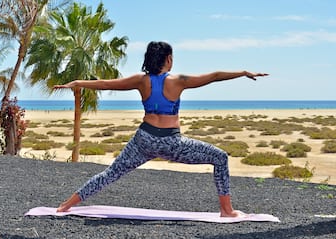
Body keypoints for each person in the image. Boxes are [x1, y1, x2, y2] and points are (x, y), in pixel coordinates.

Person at [53, 41, 268, 217]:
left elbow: (107, 84)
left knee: (111, 173)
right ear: (168, 59)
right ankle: (227, 210)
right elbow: (214, 76)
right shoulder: (178, 81)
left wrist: (76, 83)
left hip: (144, 140)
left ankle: (65, 205)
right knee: (220, 157)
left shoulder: (140, 80)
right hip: (171, 143)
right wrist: (242, 73)